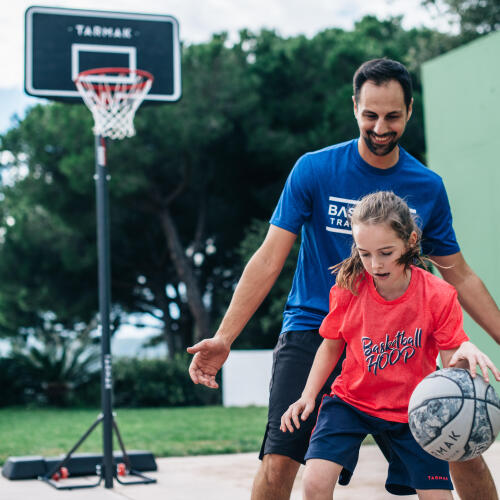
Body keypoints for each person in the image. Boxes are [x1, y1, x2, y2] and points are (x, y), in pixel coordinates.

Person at [187, 58, 500, 500]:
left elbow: (461, 276)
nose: (380, 126)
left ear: (409, 111)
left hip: (397, 338)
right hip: (317, 328)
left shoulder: (427, 186)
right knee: (281, 457)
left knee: (461, 442)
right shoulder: (314, 170)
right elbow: (268, 258)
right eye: (370, 114)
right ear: (355, 107)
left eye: (392, 115)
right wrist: (224, 337)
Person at [280, 191, 500, 499]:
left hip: (414, 411)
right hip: (351, 402)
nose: (375, 264)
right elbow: (331, 346)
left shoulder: (438, 295)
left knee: (437, 496)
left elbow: (452, 366)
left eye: (385, 252)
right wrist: (308, 396)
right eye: (364, 253)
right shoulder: (349, 288)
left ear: (410, 241)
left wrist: (465, 352)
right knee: (315, 481)